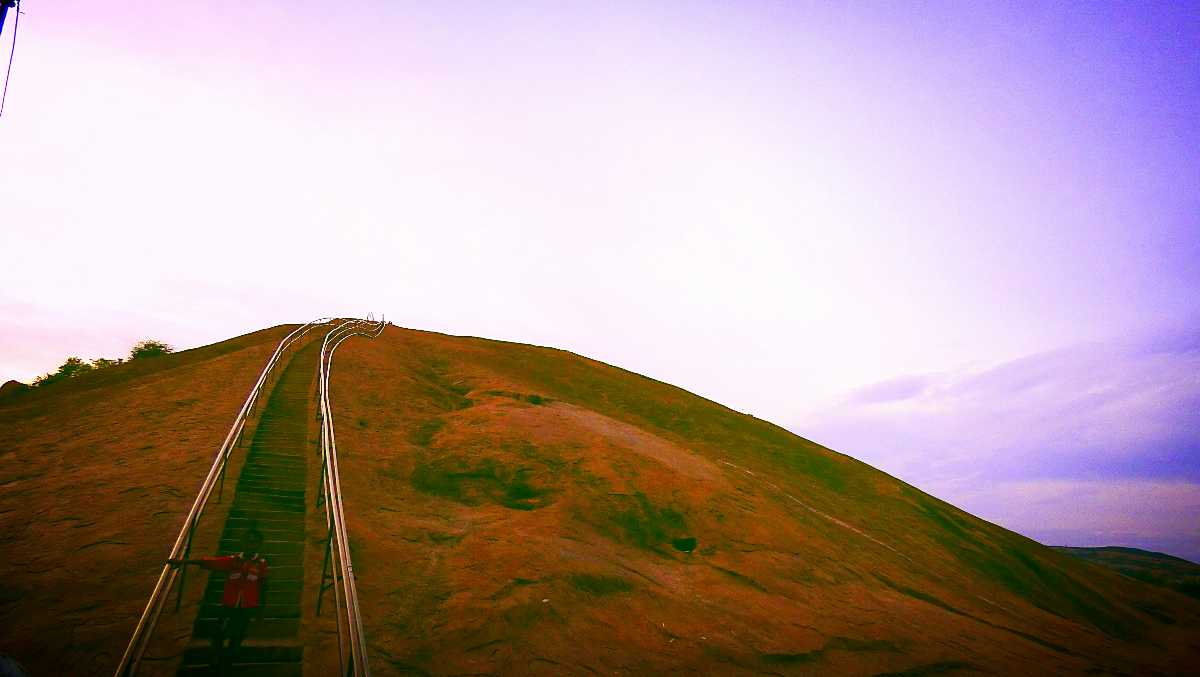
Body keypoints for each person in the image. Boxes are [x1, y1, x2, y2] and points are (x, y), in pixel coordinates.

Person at [169, 526, 269, 673]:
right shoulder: (233, 561)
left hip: (246, 608)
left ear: (259, 545)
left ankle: (227, 665)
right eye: (248, 541)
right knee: (219, 635)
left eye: (254, 542)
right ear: (243, 543)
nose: (250, 544)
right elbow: (210, 562)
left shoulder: (261, 564)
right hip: (228, 605)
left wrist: (260, 610)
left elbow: (264, 586)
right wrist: (182, 562)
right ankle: (215, 663)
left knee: (237, 637)